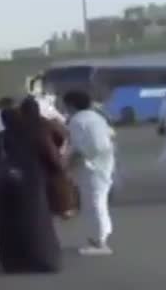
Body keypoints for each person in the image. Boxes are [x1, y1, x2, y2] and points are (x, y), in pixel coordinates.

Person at [0, 108, 62, 273]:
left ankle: (14, 262)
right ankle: (41, 259)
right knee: (36, 223)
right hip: (32, 186)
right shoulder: (34, 136)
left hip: (5, 188)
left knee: (8, 226)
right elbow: (51, 160)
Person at [63, 90, 116, 256]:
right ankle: (100, 237)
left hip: (91, 166)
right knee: (98, 200)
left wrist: (67, 168)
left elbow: (79, 149)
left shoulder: (77, 120)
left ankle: (101, 243)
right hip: (104, 163)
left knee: (94, 202)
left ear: (70, 105)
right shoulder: (97, 117)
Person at [20, 97, 77, 219]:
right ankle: (64, 209)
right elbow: (62, 136)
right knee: (59, 181)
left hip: (29, 158)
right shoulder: (46, 122)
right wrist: (56, 147)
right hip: (49, 155)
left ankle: (39, 209)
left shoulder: (20, 125)